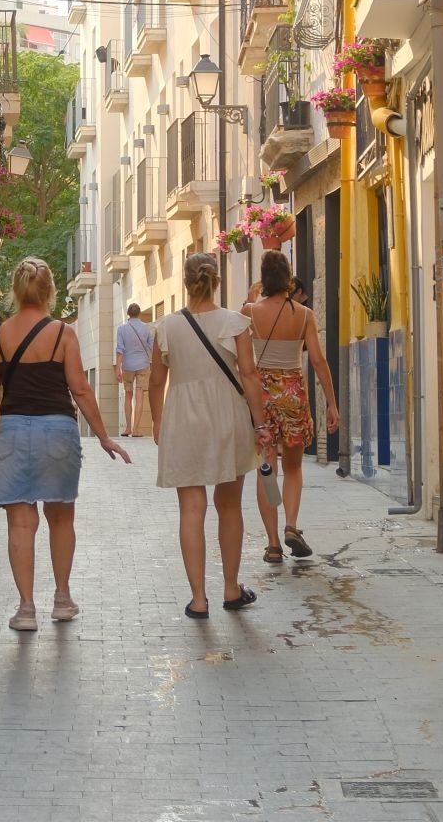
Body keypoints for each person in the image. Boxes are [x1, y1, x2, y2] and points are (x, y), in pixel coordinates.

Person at [0, 257, 131, 632]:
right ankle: (63, 598)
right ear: (49, 291)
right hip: (58, 431)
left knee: (20, 524)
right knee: (61, 517)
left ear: (16, 292)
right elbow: (80, 388)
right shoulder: (62, 334)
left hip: (13, 433)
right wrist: (104, 436)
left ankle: (25, 608)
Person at [148, 251, 270, 617]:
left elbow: (156, 382)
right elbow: (249, 376)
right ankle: (231, 588)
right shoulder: (235, 322)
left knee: (191, 509)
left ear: (185, 283)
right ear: (216, 281)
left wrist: (157, 422)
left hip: (183, 418)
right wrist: (261, 423)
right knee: (229, 505)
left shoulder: (165, 327)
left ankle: (198, 598)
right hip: (227, 417)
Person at [245, 250, 339, 563]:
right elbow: (317, 360)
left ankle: (272, 543)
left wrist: (251, 297)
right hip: (293, 393)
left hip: (262, 396)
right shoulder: (304, 315)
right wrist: (332, 403)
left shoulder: (249, 311)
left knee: (266, 469)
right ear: (288, 278)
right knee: (294, 467)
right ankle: (291, 526)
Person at [113, 303, 155, 436]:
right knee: (140, 396)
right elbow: (151, 347)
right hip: (143, 364)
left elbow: (120, 350)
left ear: (128, 314)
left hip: (128, 366)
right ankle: (136, 429)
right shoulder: (147, 328)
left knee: (128, 396)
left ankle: (127, 428)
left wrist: (117, 369)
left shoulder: (121, 329)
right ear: (140, 313)